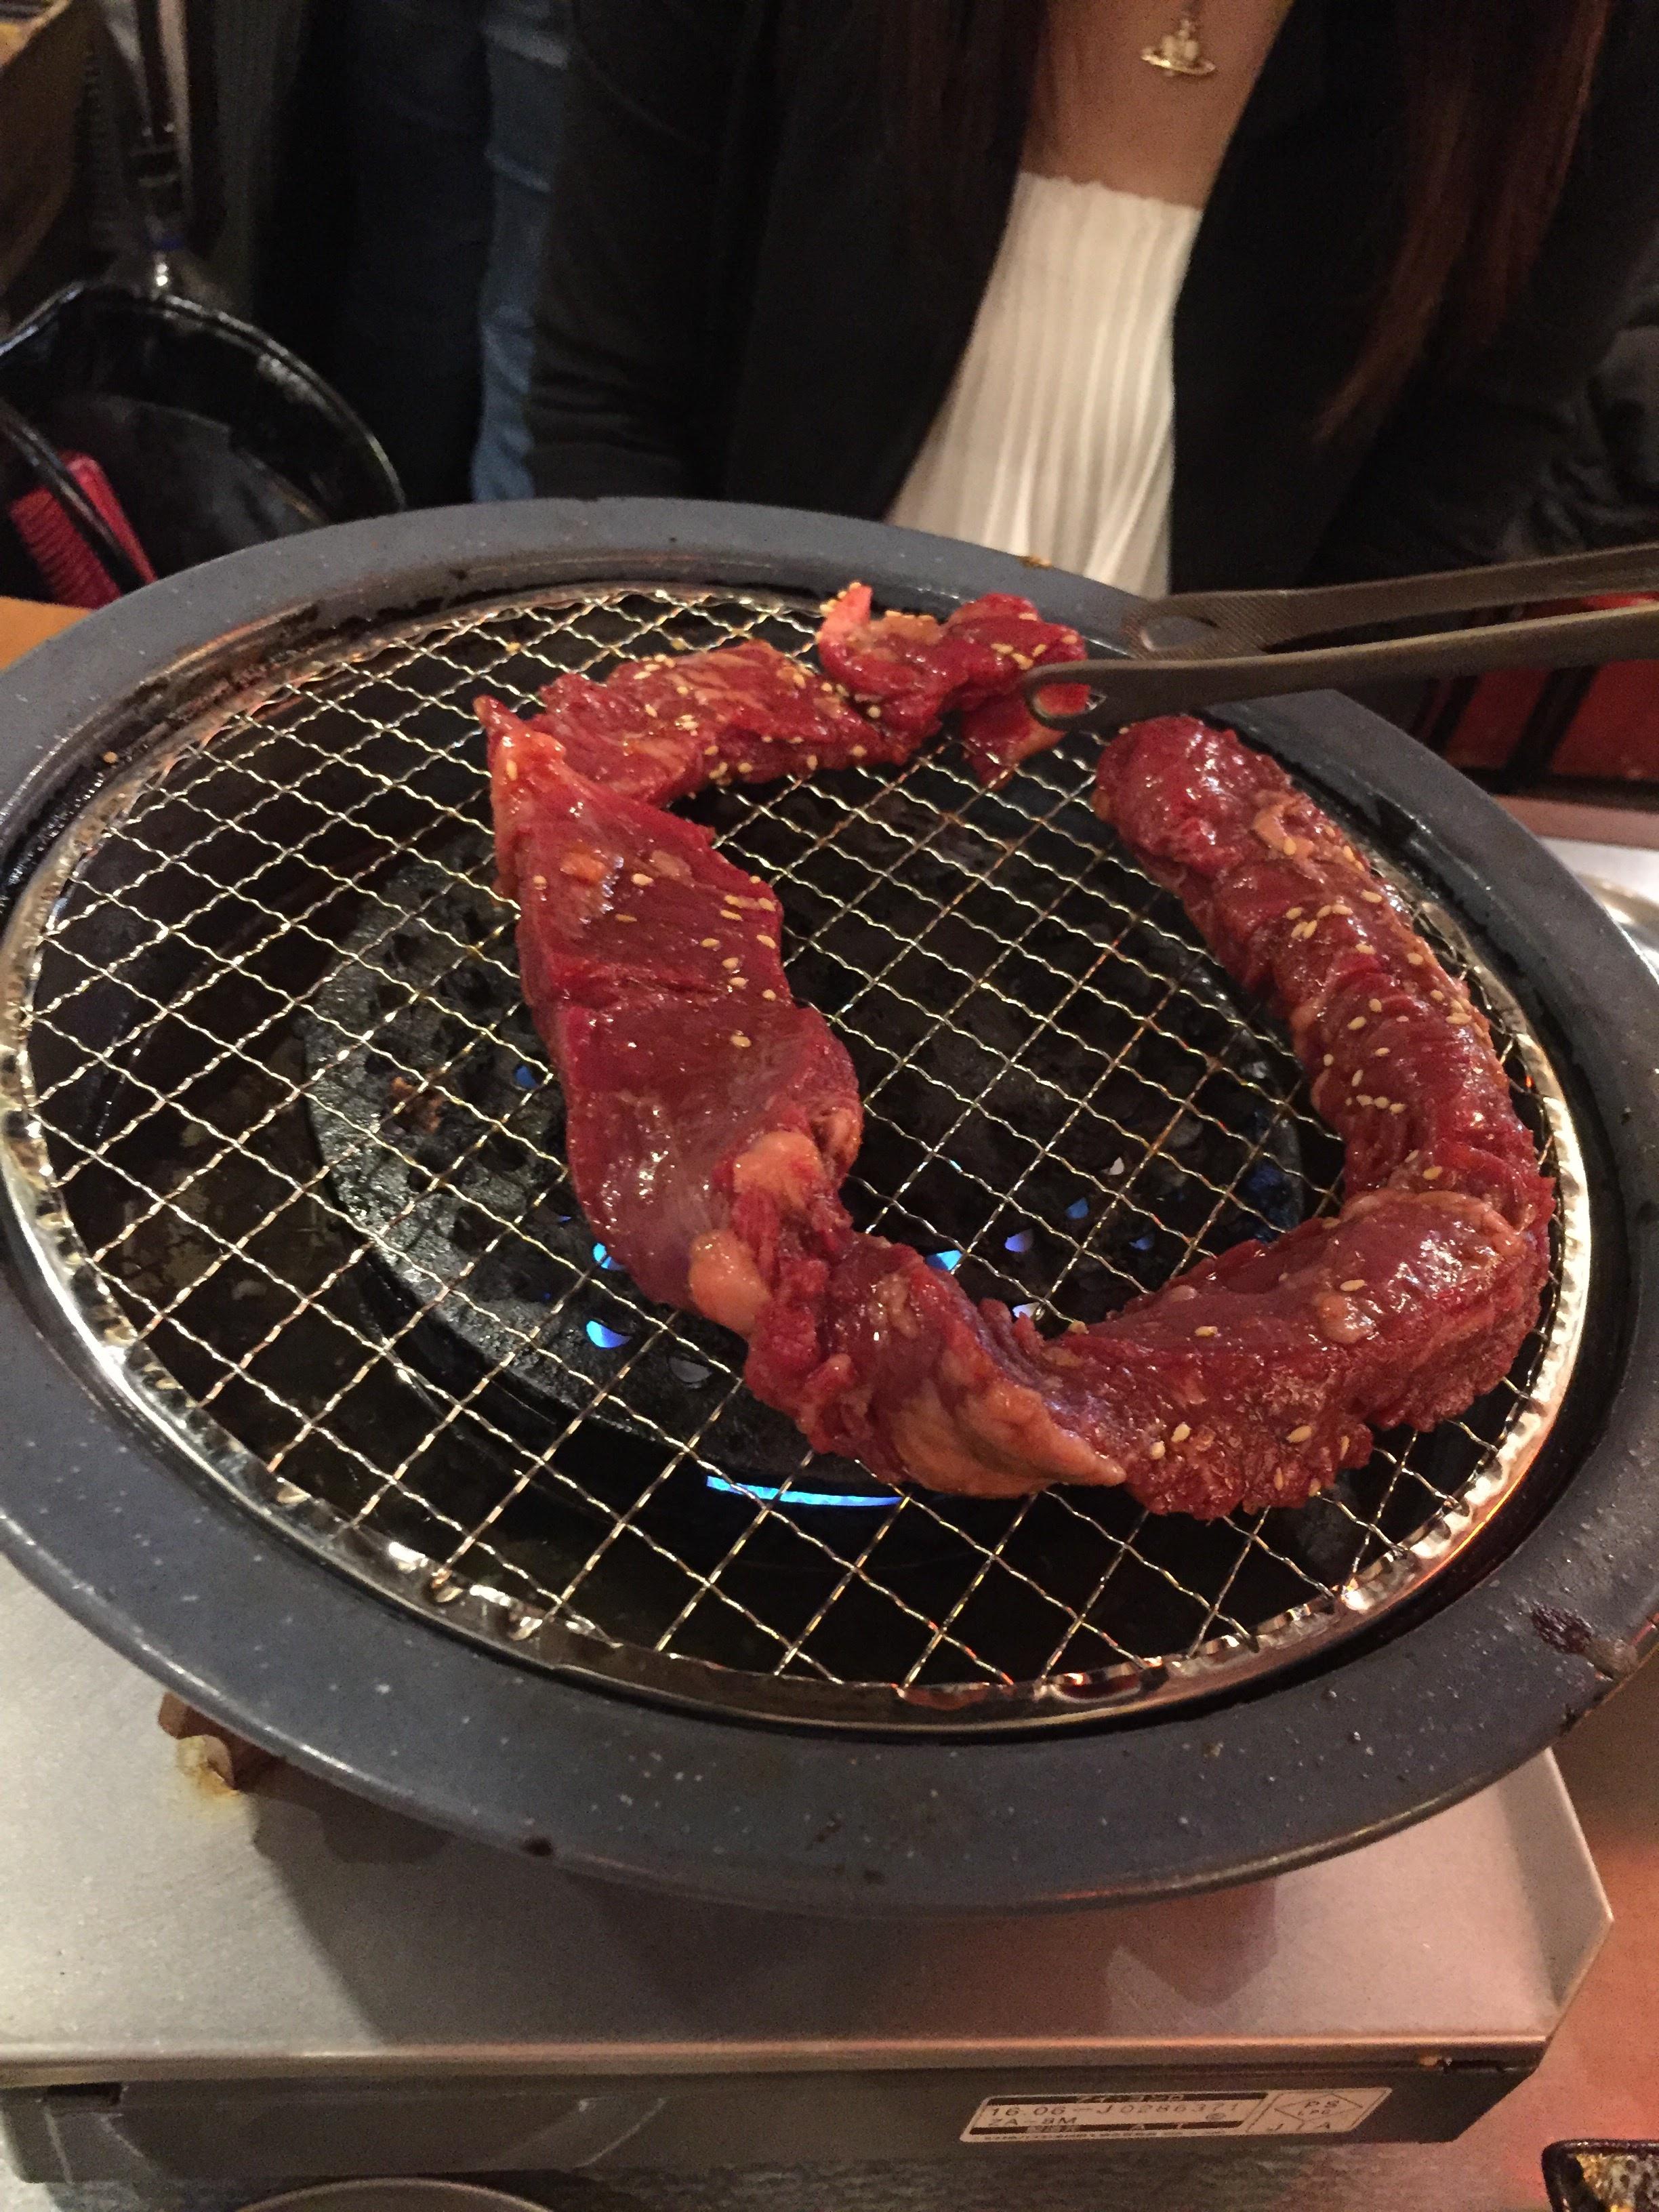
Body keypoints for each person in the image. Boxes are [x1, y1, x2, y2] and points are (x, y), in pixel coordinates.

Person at [525, 0, 1659, 594]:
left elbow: (1429, 524)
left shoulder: (1579, 41)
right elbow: (610, 406)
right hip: (730, 694)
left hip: (1196, 802)